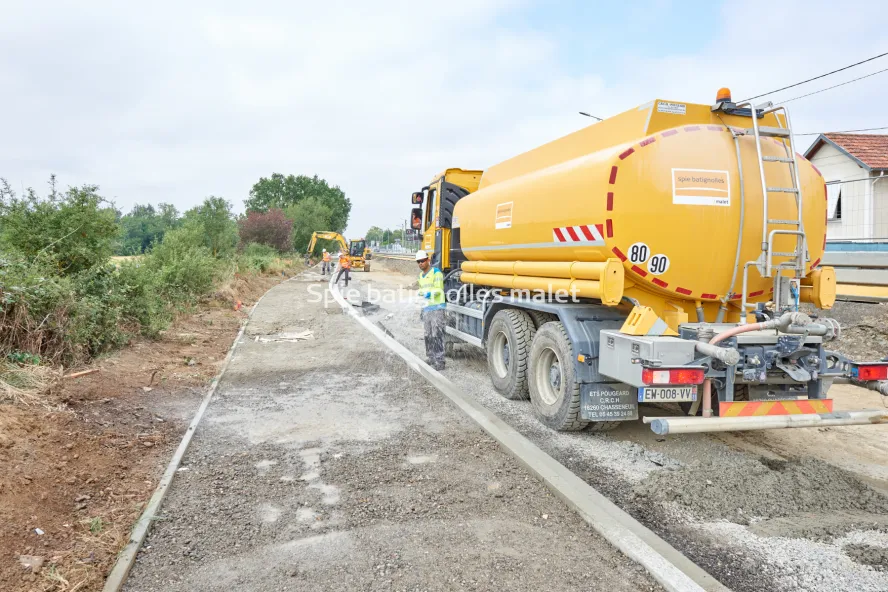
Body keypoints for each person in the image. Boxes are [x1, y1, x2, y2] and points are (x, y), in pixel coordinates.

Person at [416, 250, 445, 370]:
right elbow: (421, 291)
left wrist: (429, 294)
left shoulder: (436, 273)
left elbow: (439, 289)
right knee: (428, 334)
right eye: (418, 262)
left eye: (422, 261)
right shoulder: (420, 276)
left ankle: (440, 360)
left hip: (437, 307)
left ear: (428, 260)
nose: (420, 263)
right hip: (427, 308)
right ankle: (431, 357)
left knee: (437, 334)